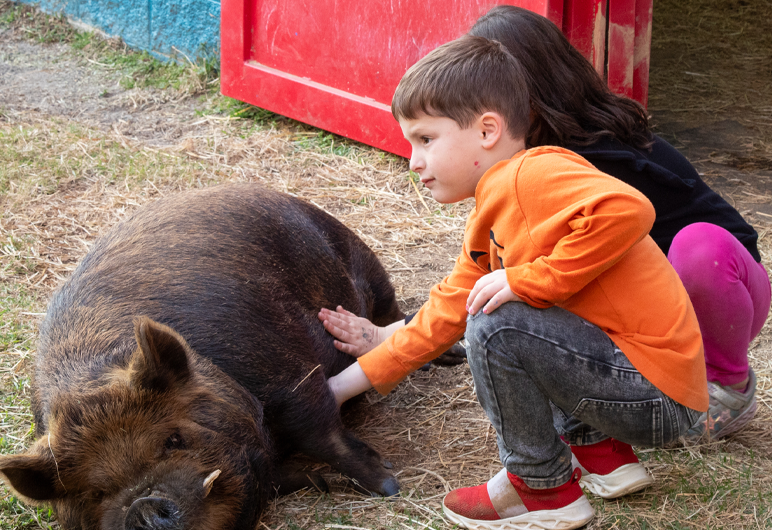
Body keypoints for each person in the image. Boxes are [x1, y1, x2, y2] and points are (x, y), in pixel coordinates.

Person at [320, 34, 707, 530]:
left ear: (486, 130)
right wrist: (337, 390)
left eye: (425, 139)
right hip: (649, 393)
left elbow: (629, 209)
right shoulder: (491, 218)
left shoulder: (533, 173)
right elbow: (442, 316)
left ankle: (540, 488)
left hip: (656, 395)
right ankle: (604, 457)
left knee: (497, 321)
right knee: (499, 305)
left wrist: (531, 279)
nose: (413, 161)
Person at [327, 5, 769, 442]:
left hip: (721, 289)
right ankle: (601, 451)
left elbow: (621, 221)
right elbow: (473, 285)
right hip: (640, 307)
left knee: (694, 248)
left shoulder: (582, 162)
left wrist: (530, 281)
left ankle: (728, 386)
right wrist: (392, 337)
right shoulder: (515, 172)